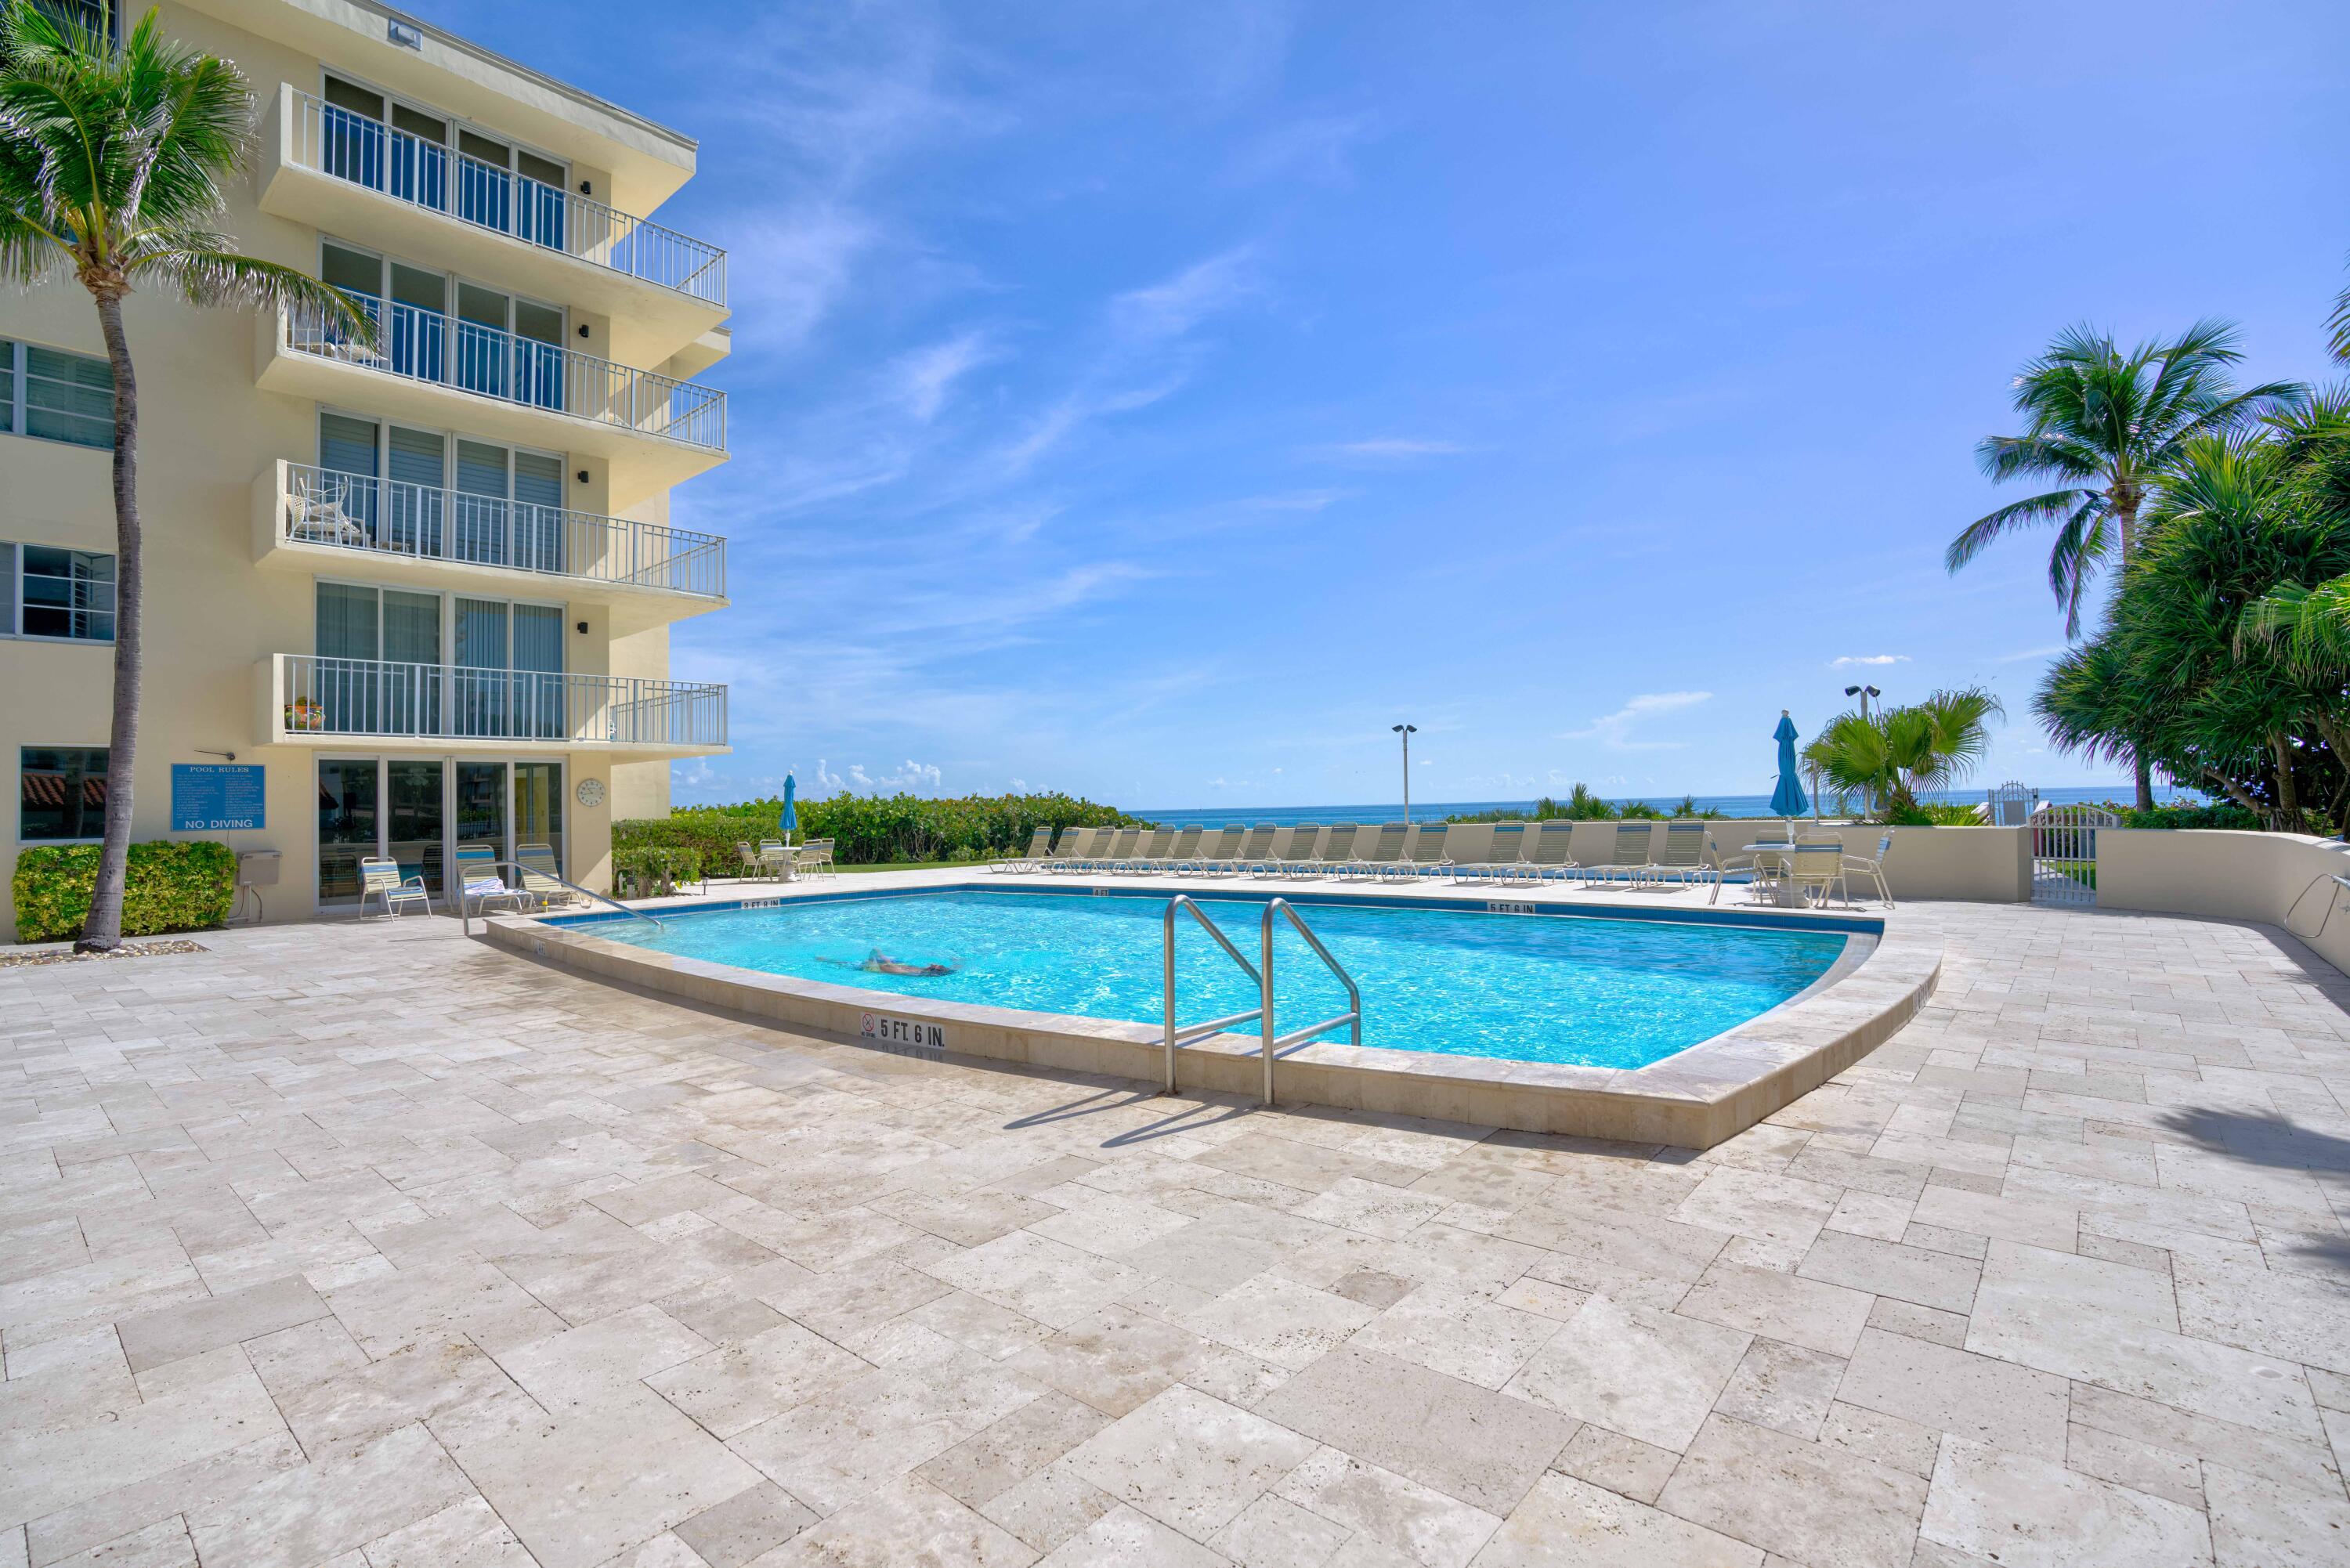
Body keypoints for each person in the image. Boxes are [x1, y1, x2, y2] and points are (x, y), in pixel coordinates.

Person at [826, 948, 960, 977]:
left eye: (936, 965)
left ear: (933, 969)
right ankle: (828, 960)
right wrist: (956, 961)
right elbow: (955, 968)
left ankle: (826, 960)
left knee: (845, 963)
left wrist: (879, 957)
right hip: (878, 966)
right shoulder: (919, 969)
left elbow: (886, 968)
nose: (934, 963)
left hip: (872, 968)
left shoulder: (910, 973)